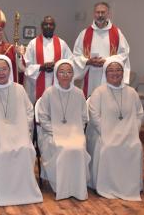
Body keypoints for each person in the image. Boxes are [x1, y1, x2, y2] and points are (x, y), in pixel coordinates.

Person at [0, 55, 43, 206]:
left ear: (9, 70)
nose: (1, 73)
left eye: (4, 69)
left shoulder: (19, 89)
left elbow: (29, 112)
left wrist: (20, 130)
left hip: (18, 134)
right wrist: (0, 132)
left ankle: (23, 192)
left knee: (25, 149)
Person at [86, 57, 144, 201]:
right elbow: (94, 116)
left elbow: (139, 114)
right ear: (105, 73)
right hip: (104, 133)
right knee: (109, 146)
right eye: (110, 70)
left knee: (135, 146)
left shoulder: (132, 92)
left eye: (118, 70)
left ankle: (131, 185)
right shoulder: (99, 92)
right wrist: (107, 132)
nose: (115, 73)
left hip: (128, 133)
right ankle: (106, 185)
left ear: (123, 72)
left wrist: (132, 131)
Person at [37, 59, 90, 200]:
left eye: (69, 72)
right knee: (62, 147)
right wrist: (57, 131)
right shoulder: (48, 93)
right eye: (62, 72)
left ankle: (77, 187)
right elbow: (43, 117)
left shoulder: (79, 93)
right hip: (51, 133)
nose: (65, 75)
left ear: (73, 75)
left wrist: (74, 130)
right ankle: (61, 186)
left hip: (74, 133)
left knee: (78, 147)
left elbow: (84, 117)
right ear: (56, 74)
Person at [73, 2, 130, 98]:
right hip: (90, 74)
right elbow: (76, 54)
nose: (100, 15)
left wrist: (107, 61)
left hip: (109, 73)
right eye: (97, 12)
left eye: (103, 12)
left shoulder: (117, 33)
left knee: (107, 100)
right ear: (93, 14)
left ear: (108, 14)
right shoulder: (84, 33)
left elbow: (124, 53)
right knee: (90, 101)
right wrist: (87, 61)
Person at [24, 16, 73, 103]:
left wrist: (57, 66)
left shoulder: (62, 44)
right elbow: (26, 66)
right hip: (37, 84)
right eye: (46, 24)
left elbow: (70, 63)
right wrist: (41, 67)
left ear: (54, 26)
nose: (48, 26)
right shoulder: (33, 43)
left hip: (57, 83)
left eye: (51, 24)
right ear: (42, 26)